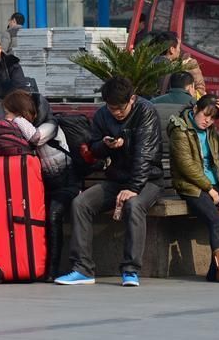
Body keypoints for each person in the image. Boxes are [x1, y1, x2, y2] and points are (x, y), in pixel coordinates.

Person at [55, 77, 163, 287]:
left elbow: (145, 154)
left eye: (120, 108)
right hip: (117, 179)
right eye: (111, 108)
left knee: (134, 204)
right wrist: (105, 145)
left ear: (132, 99)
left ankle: (131, 270)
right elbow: (93, 146)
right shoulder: (103, 114)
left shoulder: (146, 111)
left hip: (149, 179)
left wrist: (133, 188)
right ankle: (82, 268)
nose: (116, 113)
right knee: (80, 203)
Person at [167, 95, 219, 283]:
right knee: (215, 219)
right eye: (204, 115)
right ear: (195, 110)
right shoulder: (181, 131)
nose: (207, 121)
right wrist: (209, 189)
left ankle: (217, 269)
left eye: (212, 118)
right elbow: (187, 167)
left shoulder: (209, 131)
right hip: (191, 187)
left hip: (214, 185)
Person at [4, 89, 79, 280]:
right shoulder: (22, 127)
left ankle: (52, 270)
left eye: (10, 113)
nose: (7, 117)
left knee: (53, 215)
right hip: (45, 185)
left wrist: (17, 120)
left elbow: (36, 138)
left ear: (20, 112)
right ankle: (34, 263)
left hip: (67, 183)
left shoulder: (50, 125)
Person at [153, 31, 205, 97]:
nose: (179, 50)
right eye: (178, 47)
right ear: (172, 49)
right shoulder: (157, 63)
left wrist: (190, 95)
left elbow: (200, 90)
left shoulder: (188, 63)